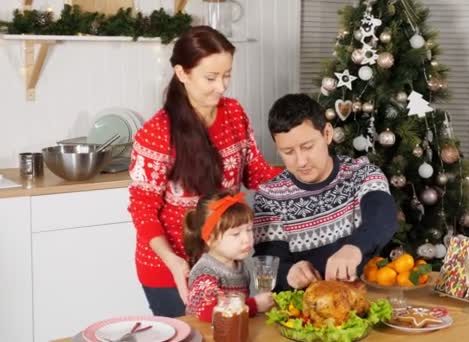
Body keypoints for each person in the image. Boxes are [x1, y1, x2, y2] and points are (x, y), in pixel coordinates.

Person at [128, 25, 281, 317]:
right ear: (182, 74)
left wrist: (305, 180)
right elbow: (143, 211)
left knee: (232, 328)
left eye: (227, 75)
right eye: (211, 78)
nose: (222, 87)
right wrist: (174, 262)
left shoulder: (234, 113)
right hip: (170, 265)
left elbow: (257, 173)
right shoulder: (157, 133)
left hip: (224, 259)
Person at [253, 94, 399, 291]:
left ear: (327, 133)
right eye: (288, 152)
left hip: (364, 302)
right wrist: (288, 274)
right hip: (304, 313)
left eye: (308, 147)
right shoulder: (269, 196)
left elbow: (383, 218)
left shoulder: (363, 174)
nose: (301, 161)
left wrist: (354, 248)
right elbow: (263, 273)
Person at [182, 191, 274, 321]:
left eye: (249, 230)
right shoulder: (205, 272)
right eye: (236, 234)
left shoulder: (239, 266)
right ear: (210, 239)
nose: (246, 239)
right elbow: (209, 312)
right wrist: (254, 305)